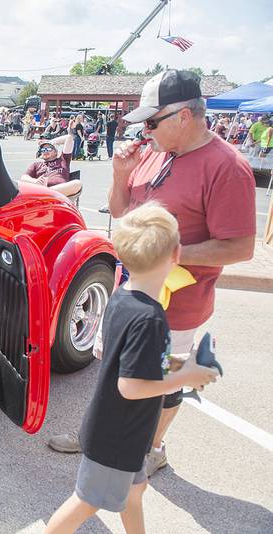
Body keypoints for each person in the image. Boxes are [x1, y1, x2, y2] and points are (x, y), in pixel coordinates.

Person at [47, 69, 256, 478]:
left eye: (152, 120)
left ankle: (151, 449)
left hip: (177, 303)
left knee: (162, 382)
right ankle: (96, 438)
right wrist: (121, 175)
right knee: (110, 366)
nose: (144, 129)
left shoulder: (227, 166)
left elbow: (240, 247)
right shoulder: (155, 151)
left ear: (184, 116)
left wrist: (166, 256)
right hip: (129, 290)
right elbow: (122, 211)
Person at [44, 203, 219, 534]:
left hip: (124, 429)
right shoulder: (150, 318)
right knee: (85, 501)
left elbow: (136, 359)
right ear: (177, 254)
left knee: (136, 492)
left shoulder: (123, 296)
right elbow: (131, 385)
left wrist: (183, 363)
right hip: (118, 435)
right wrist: (187, 376)